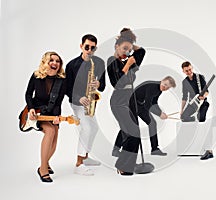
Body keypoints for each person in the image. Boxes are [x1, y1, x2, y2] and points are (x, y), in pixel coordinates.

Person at [65, 34, 106, 175]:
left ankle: (86, 156)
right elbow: (66, 88)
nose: (89, 50)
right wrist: (79, 97)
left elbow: (103, 87)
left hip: (90, 101)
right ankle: (79, 163)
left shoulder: (99, 63)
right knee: (87, 128)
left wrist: (99, 83)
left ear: (96, 48)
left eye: (92, 48)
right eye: (87, 47)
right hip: (76, 102)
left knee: (93, 128)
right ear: (81, 46)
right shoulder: (72, 65)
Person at [107, 28, 145, 175]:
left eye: (129, 50)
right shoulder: (112, 61)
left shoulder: (129, 58)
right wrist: (128, 65)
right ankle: (122, 165)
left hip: (131, 99)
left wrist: (128, 41)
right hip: (118, 100)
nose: (127, 52)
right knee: (132, 132)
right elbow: (116, 83)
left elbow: (142, 52)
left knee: (135, 132)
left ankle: (129, 164)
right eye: (124, 48)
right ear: (116, 47)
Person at [25, 51, 66, 183]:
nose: (55, 63)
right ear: (46, 62)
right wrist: (31, 108)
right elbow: (28, 93)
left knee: (55, 138)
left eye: (57, 61)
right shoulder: (37, 76)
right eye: (51, 60)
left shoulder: (62, 80)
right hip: (37, 112)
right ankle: (43, 169)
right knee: (50, 131)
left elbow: (59, 101)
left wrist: (57, 116)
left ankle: (46, 162)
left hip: (52, 112)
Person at [112, 76, 177, 157]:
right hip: (132, 104)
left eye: (167, 87)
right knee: (129, 127)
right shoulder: (152, 86)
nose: (165, 87)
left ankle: (154, 149)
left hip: (140, 105)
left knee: (152, 123)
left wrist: (160, 112)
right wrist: (159, 114)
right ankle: (116, 149)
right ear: (162, 80)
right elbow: (148, 105)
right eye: (165, 84)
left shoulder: (159, 90)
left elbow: (154, 103)